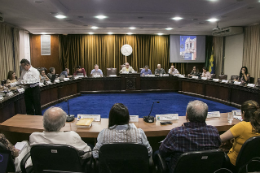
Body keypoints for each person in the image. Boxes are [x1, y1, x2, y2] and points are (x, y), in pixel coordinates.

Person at [159, 100, 221, 172]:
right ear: (206, 116)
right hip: (205, 169)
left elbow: (162, 152)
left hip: (180, 170)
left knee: (157, 154)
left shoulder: (176, 133)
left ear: (186, 115)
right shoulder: (214, 132)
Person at [220, 100, 260, 168]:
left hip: (235, 164)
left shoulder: (242, 126)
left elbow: (219, 139)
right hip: (255, 164)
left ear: (243, 113)